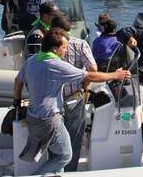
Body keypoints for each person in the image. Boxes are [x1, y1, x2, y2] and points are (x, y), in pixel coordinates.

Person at [13, 28, 130, 174]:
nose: (66, 50)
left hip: (33, 117)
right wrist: (116, 75)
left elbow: (18, 81)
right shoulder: (56, 65)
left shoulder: (32, 60)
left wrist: (16, 102)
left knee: (56, 155)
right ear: (55, 49)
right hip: (50, 121)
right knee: (65, 155)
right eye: (64, 47)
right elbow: (90, 76)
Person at [49, 15, 97, 172]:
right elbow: (93, 69)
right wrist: (85, 85)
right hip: (74, 99)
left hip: (52, 102)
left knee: (54, 141)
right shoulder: (81, 44)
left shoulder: (47, 46)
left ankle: (55, 170)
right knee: (74, 140)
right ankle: (70, 172)